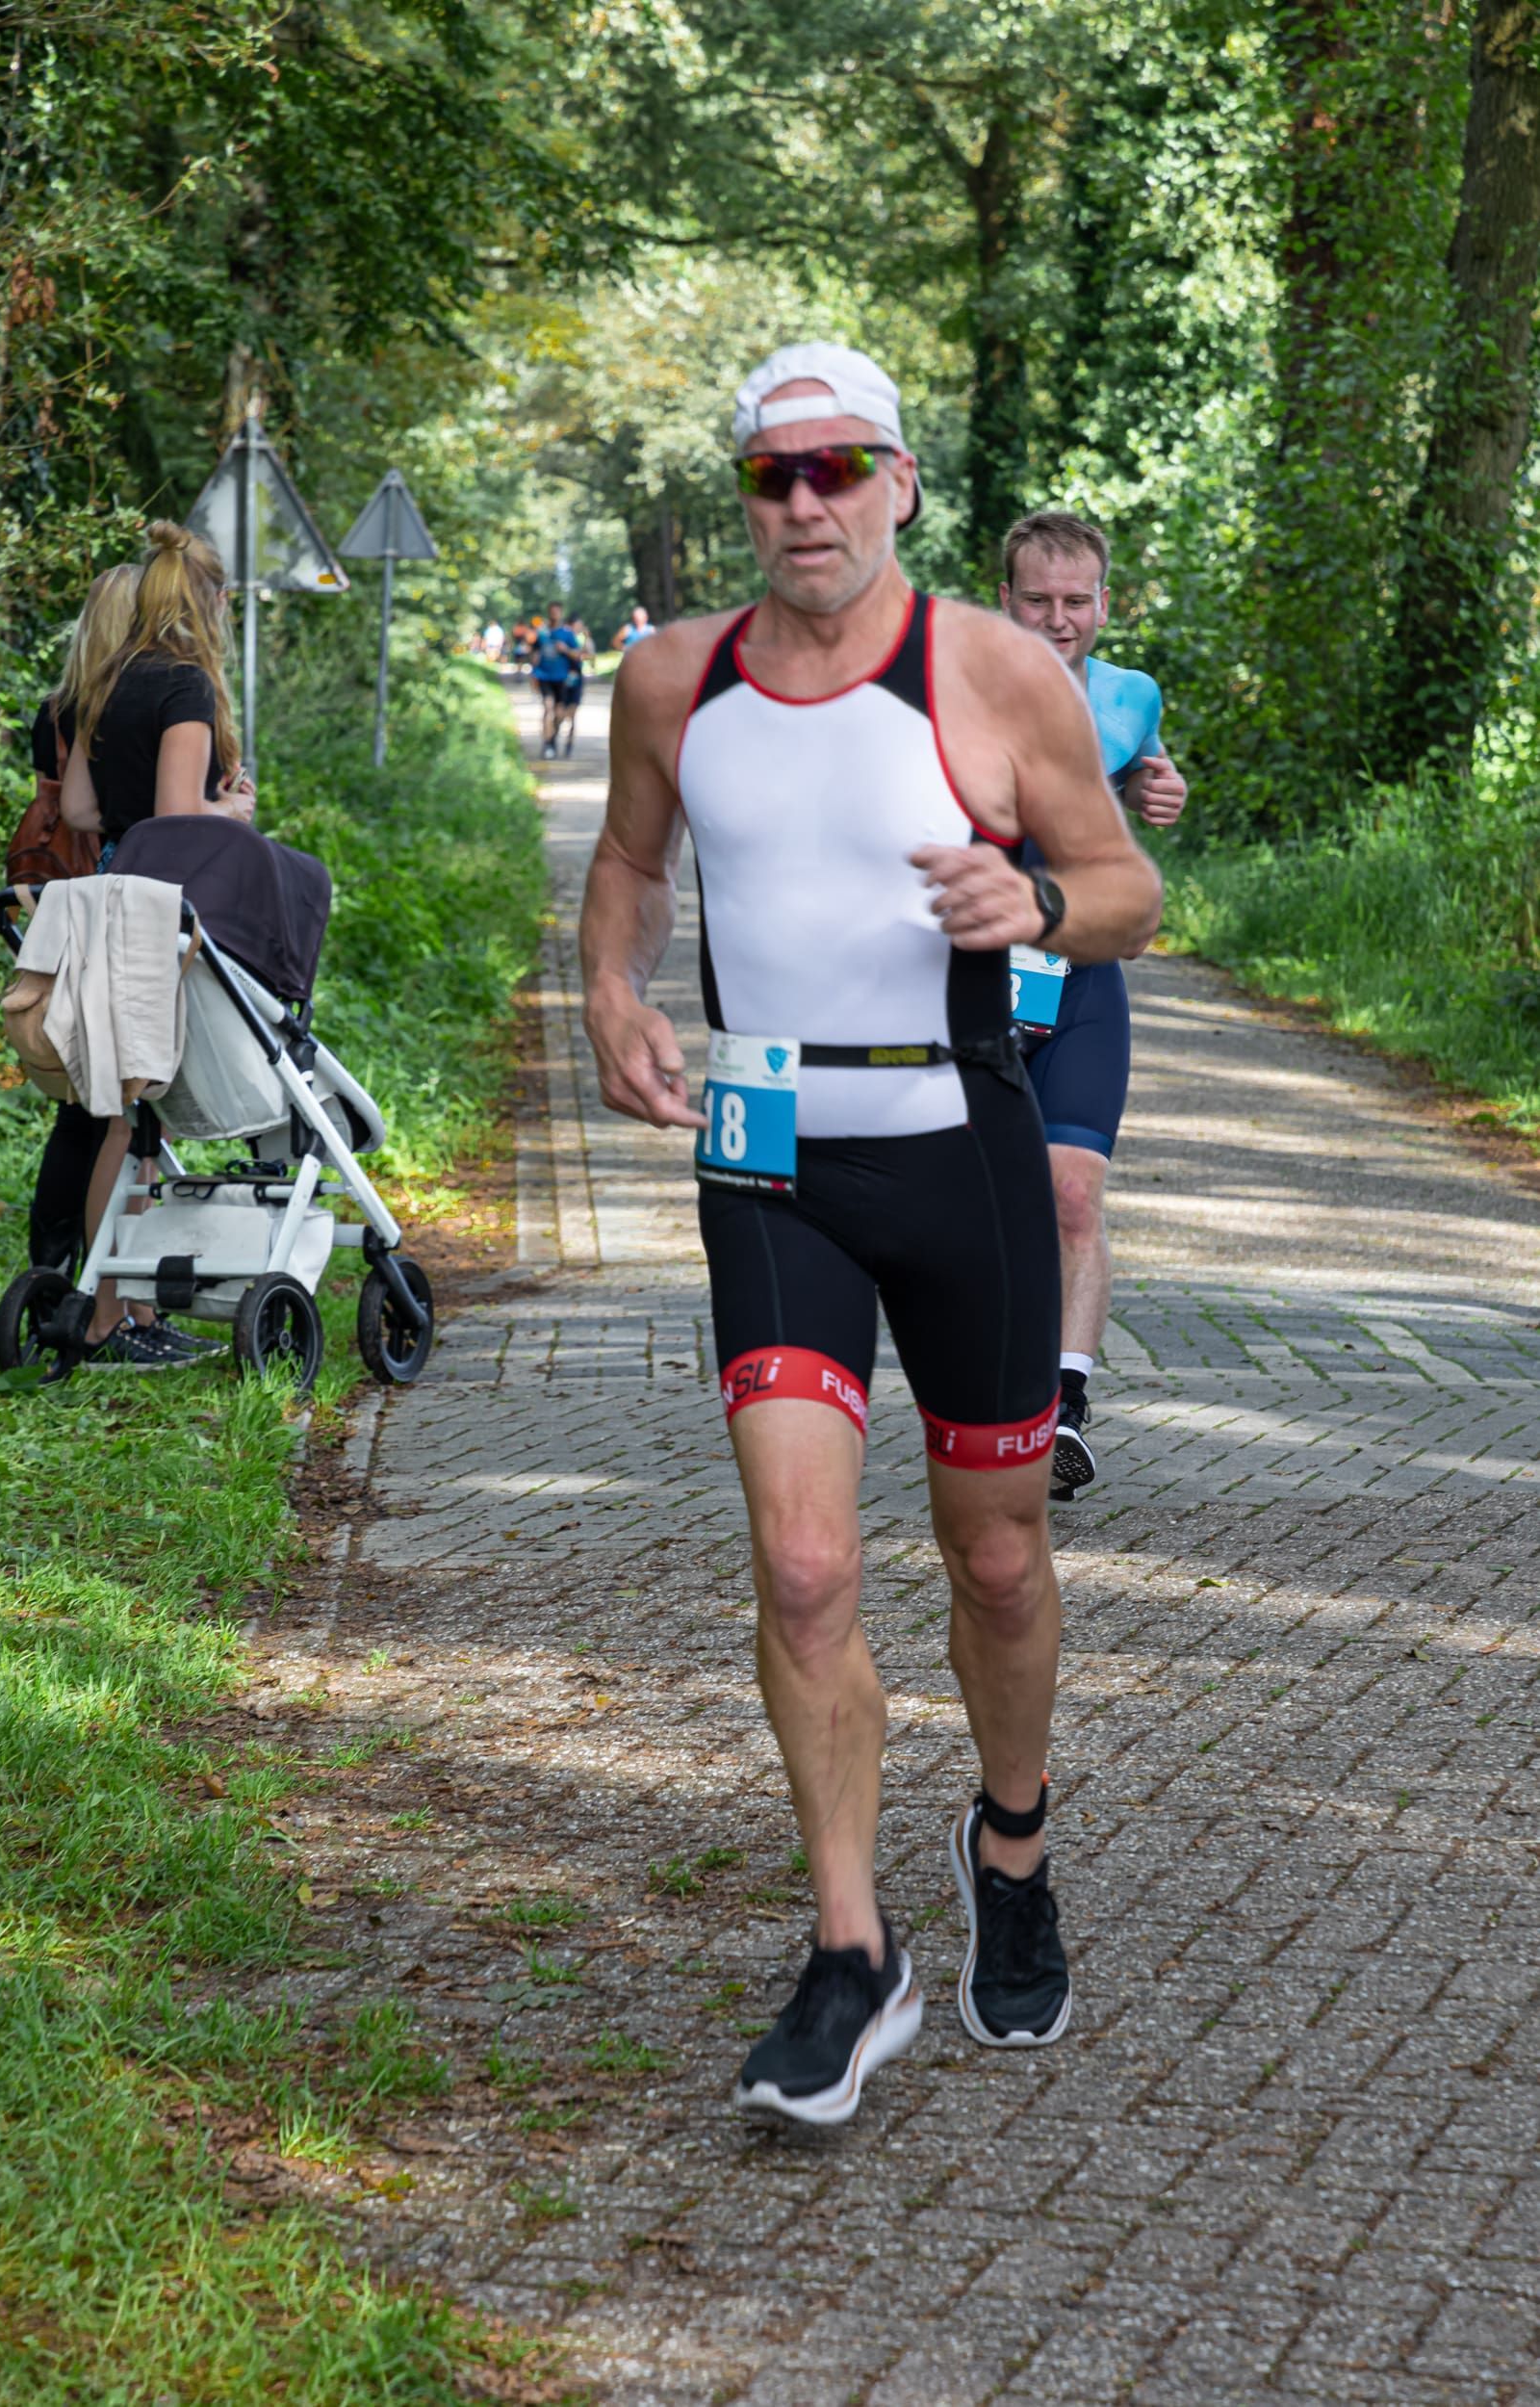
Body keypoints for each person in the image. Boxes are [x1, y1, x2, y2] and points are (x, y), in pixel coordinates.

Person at [579, 342, 1161, 2124]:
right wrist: (605, 991)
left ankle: (1009, 1848)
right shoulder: (673, 676)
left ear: (899, 482)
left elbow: (1132, 890)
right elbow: (625, 862)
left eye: (840, 469)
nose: (806, 502)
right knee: (808, 1566)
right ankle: (851, 1951)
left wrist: (1041, 895)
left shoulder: (989, 669)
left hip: (956, 1139)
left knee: (993, 1559)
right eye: (775, 476)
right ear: (745, 496)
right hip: (764, 1147)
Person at [999, 511, 1188, 1499]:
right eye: (1036, 599)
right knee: (990, 1206)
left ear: (1103, 605)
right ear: (1005, 600)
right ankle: (991, 1400)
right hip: (972, 976)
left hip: (1082, 973)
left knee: (1072, 1192)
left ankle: (1062, 1410)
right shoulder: (959, 687)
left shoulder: (1129, 692)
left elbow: (1147, 768)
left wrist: (1162, 786)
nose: (1056, 618)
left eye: (1075, 601)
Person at [59, 519, 255, 1368]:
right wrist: (234, 814)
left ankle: (121, 1306)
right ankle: (109, 1315)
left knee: (124, 1122)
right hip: (158, 915)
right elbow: (180, 815)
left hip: (104, 897)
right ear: (210, 601)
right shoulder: (185, 686)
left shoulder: (101, 682)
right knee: (131, 1127)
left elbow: (76, 813)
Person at [23, 564, 141, 1279]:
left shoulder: (56, 709)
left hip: (57, 903)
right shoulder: (129, 711)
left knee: (79, 1100)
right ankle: (104, 1285)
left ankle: (52, 1262)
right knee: (117, 1105)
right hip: (115, 901)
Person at [530, 601, 582, 758]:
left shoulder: (567, 634)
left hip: (562, 678)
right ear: (548, 613)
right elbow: (534, 653)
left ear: (561, 614)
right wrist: (533, 671)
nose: (554, 614)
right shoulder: (542, 633)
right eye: (551, 612)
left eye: (557, 612)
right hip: (544, 676)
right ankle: (546, 744)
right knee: (547, 707)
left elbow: (578, 655)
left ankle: (552, 738)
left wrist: (565, 649)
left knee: (559, 714)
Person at [552, 610, 593, 758]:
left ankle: (569, 743)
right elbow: (570, 653)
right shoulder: (561, 635)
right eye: (578, 625)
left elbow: (588, 656)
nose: (580, 627)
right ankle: (553, 737)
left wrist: (587, 639)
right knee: (560, 712)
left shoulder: (580, 638)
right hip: (562, 677)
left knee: (573, 714)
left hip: (577, 678)